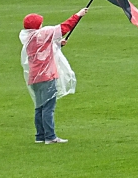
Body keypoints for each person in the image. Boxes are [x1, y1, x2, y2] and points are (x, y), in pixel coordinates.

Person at [20, 8, 88, 144]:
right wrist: (78, 15)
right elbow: (64, 27)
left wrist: (57, 44)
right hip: (47, 75)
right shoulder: (42, 33)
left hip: (34, 77)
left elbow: (43, 49)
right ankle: (50, 136)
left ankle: (40, 135)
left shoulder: (29, 37)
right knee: (48, 107)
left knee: (39, 106)